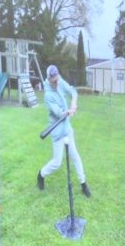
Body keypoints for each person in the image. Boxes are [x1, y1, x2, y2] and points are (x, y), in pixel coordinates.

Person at [36, 64, 91, 197]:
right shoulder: (48, 96)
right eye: (53, 80)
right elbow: (59, 113)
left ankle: (83, 184)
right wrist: (67, 112)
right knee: (56, 163)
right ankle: (41, 174)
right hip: (57, 133)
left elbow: (73, 91)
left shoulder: (60, 81)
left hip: (67, 128)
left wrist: (73, 104)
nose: (56, 82)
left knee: (75, 156)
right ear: (48, 79)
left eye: (57, 78)